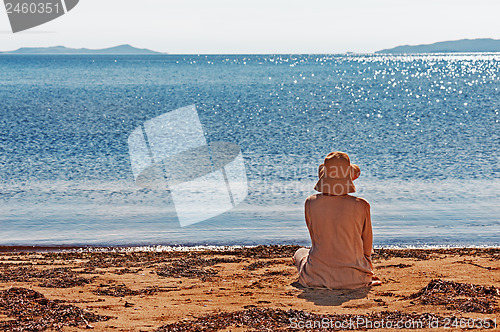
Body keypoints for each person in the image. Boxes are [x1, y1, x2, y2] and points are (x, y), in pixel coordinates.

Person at [293, 151, 380, 289]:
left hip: (316, 277)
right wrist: (366, 271)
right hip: (355, 278)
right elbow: (366, 248)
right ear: (349, 178)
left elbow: (315, 240)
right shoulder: (361, 205)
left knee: (301, 252)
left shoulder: (310, 203)